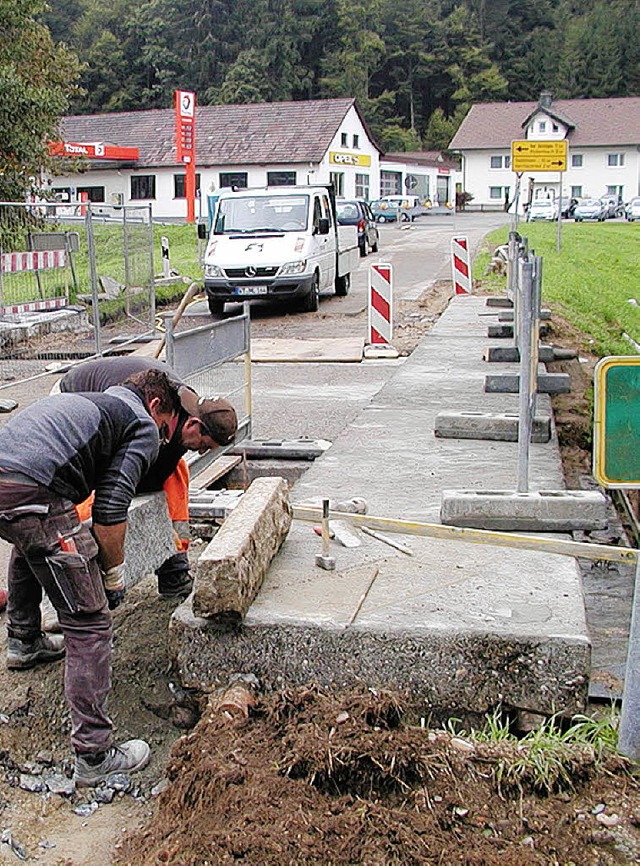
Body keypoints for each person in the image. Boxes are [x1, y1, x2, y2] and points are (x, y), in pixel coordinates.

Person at [0, 369, 180, 786]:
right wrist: (112, 576)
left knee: (34, 542)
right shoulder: (140, 424)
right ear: (156, 407)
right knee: (89, 623)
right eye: (166, 429)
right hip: (34, 490)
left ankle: (25, 641)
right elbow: (111, 510)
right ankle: (95, 755)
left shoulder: (97, 403)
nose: (164, 440)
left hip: (11, 484)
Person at [58, 356, 238, 599]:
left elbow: (157, 474)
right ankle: (71, 576)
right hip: (74, 399)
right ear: (194, 423)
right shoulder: (153, 412)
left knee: (176, 476)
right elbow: (123, 479)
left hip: (119, 408)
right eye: (205, 445)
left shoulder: (185, 411)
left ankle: (173, 569)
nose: (202, 451)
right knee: (90, 489)